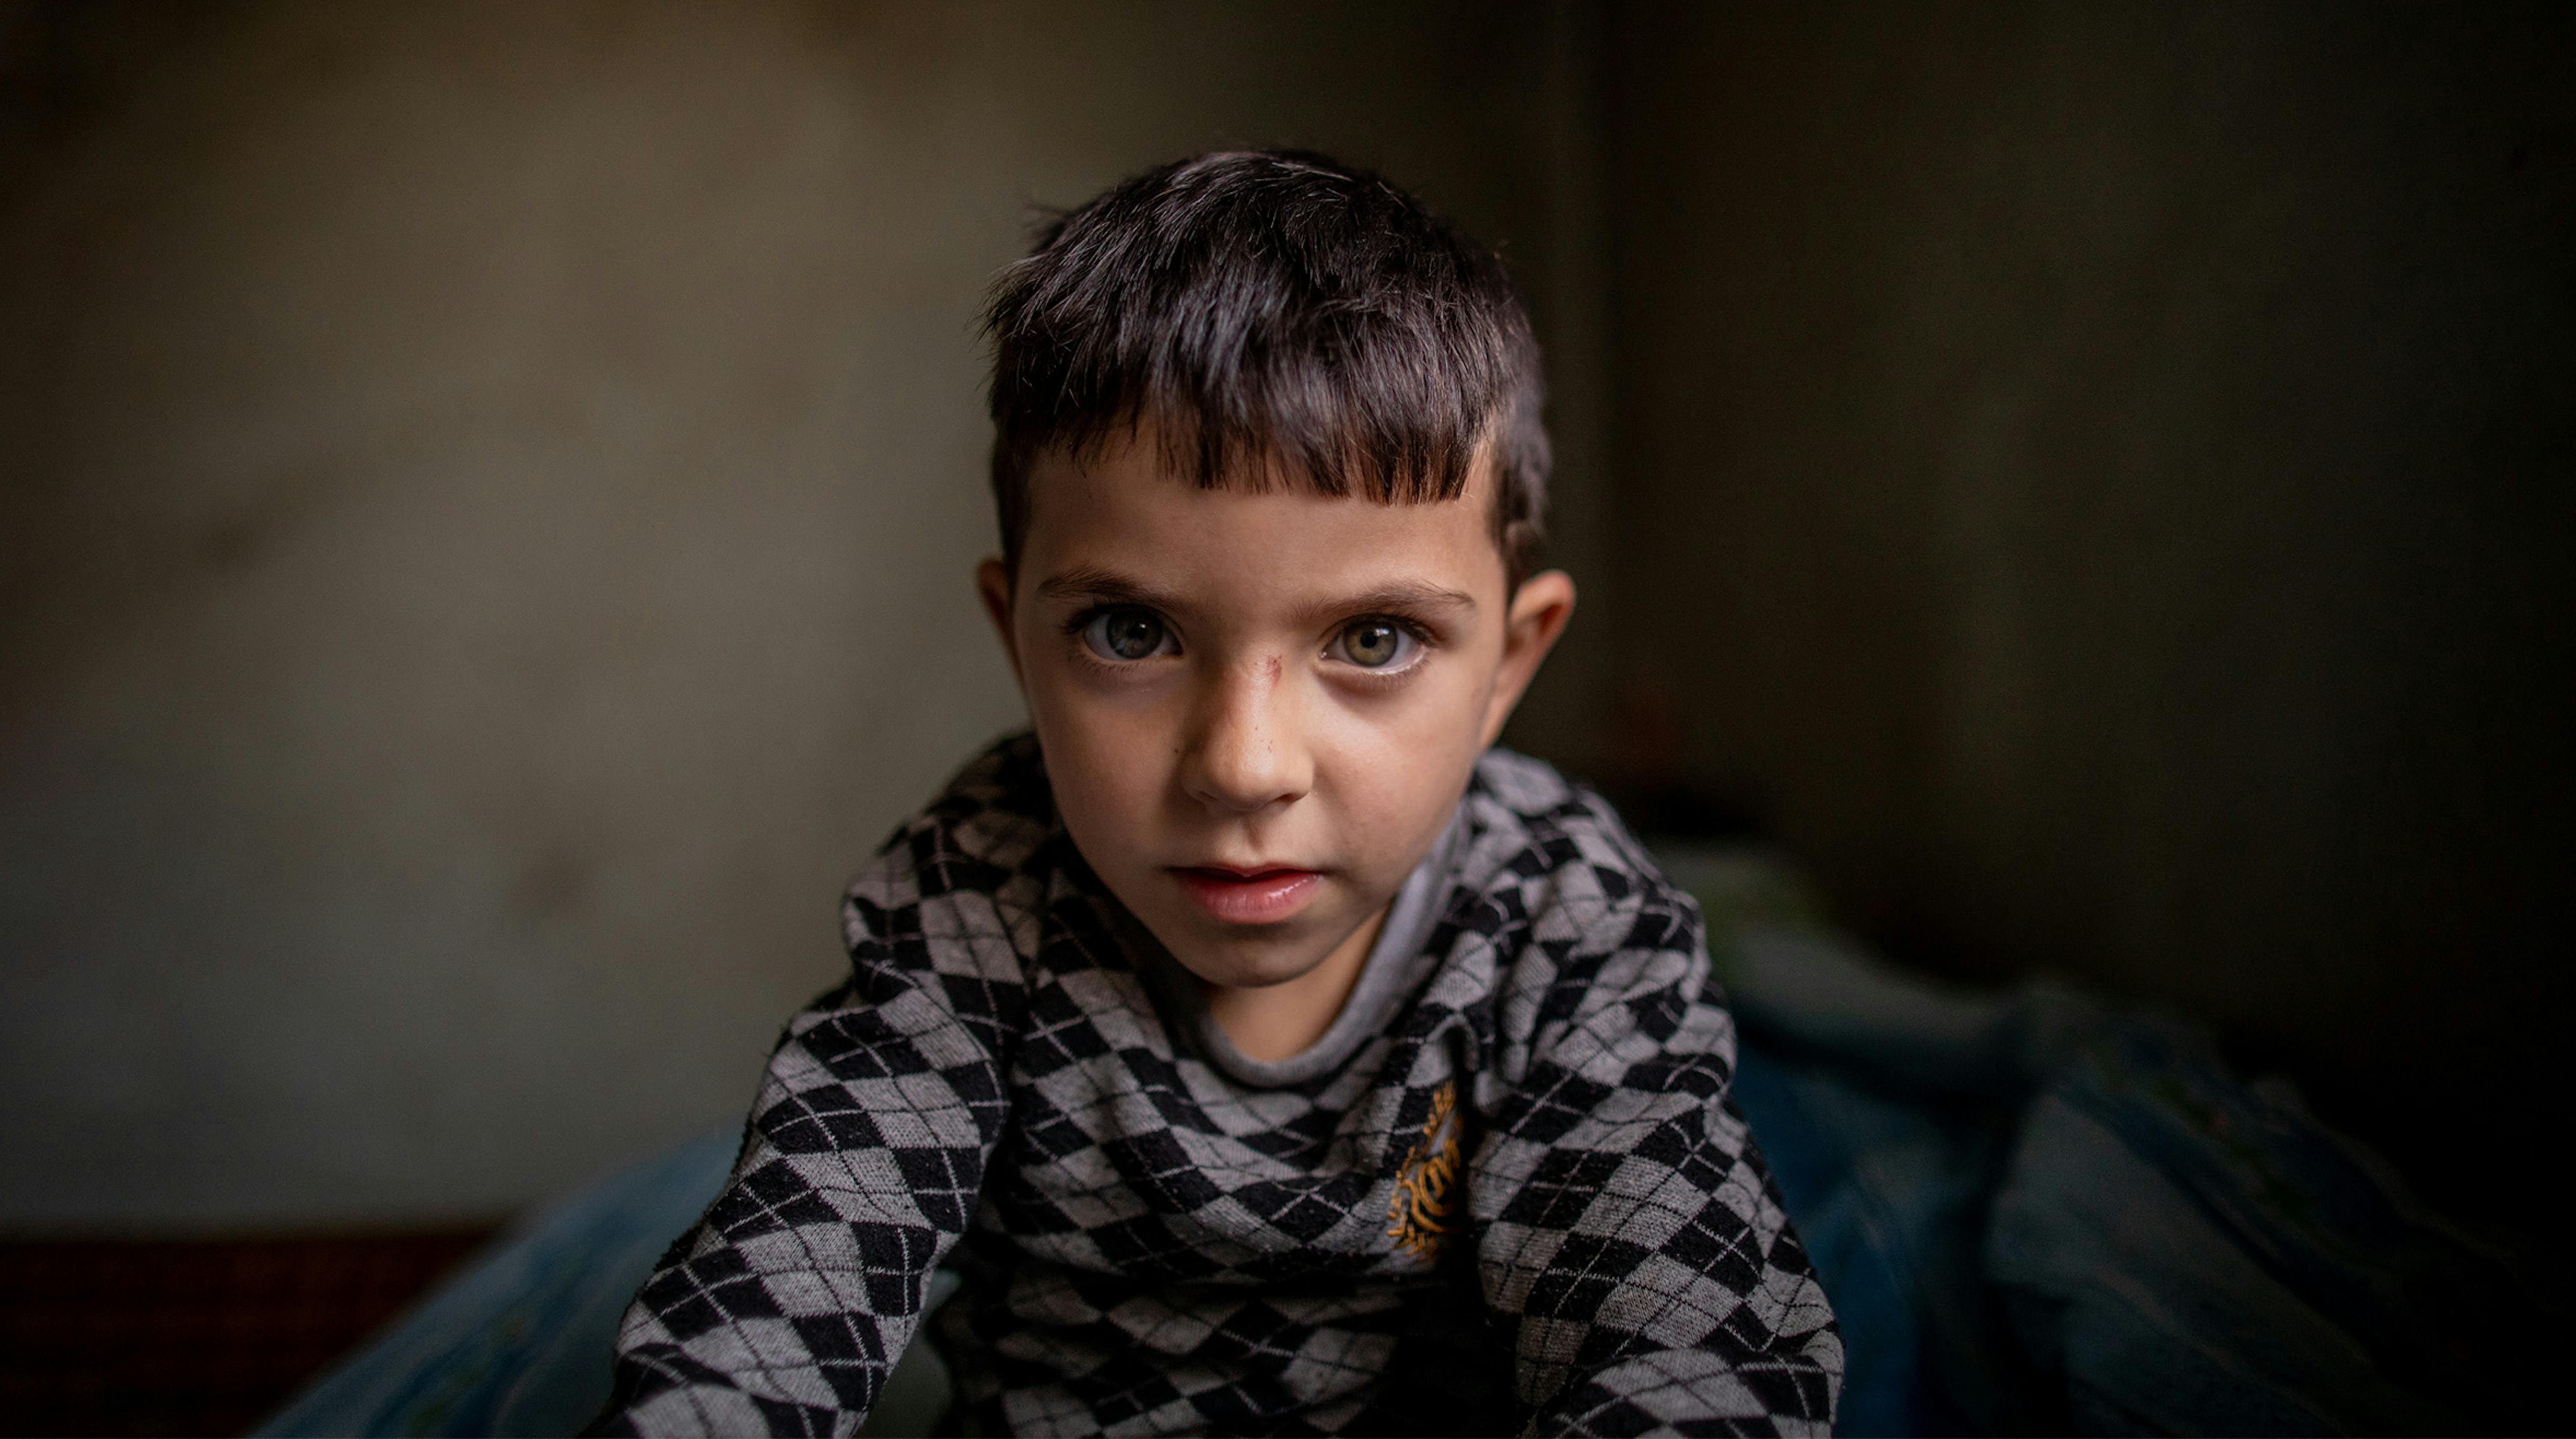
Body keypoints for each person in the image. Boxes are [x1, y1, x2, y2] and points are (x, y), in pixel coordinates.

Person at [599, 151, 1840, 1436]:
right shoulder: (980, 899)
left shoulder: (1570, 920)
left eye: (1372, 641)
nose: (1246, 766)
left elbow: (1684, 1343)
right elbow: (782, 1280)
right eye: (1131, 634)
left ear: (1509, 665)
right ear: (1015, 634)